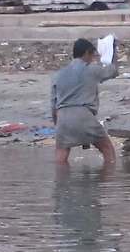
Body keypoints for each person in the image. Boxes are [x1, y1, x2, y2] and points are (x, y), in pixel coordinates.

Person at [51, 37, 119, 166]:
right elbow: (113, 71)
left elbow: (53, 105)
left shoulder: (58, 75)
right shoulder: (91, 70)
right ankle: (109, 181)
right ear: (87, 53)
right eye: (93, 55)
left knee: (61, 155)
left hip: (63, 117)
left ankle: (61, 184)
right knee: (106, 149)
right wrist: (114, 50)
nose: (93, 58)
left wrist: (58, 125)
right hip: (83, 115)